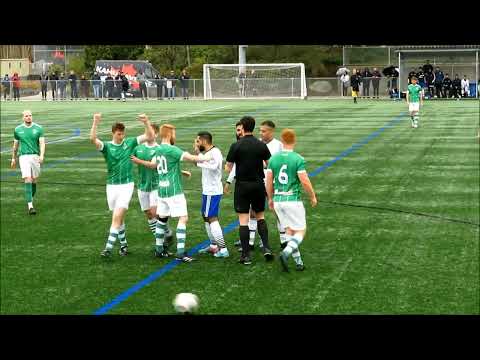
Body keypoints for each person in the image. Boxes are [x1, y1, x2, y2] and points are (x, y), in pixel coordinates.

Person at [130, 124, 214, 262]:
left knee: (162, 219)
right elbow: (195, 159)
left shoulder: (158, 149)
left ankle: (159, 250)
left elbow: (154, 165)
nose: (175, 135)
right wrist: (208, 153)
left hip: (161, 190)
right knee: (183, 218)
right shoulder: (173, 150)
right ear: (169, 134)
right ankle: (181, 252)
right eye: (174, 133)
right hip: (174, 190)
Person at [90, 113, 155, 258]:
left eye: (123, 134)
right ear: (113, 133)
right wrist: (95, 121)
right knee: (118, 218)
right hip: (111, 186)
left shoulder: (130, 142)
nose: (121, 136)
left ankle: (108, 248)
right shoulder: (106, 147)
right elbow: (92, 139)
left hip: (127, 185)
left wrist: (146, 122)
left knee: (118, 215)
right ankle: (124, 245)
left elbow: (149, 136)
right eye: (119, 134)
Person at [265, 128, 317, 272]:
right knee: (301, 230)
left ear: (282, 140)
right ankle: (286, 253)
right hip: (292, 199)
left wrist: (270, 198)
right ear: (294, 140)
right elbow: (305, 181)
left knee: (289, 230)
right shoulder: (297, 158)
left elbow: (268, 181)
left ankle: (299, 263)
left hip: (278, 200)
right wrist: (312, 196)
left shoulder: (273, 158)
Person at [225, 116, 274, 265]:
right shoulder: (261, 145)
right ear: (253, 128)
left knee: (243, 220)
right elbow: (268, 164)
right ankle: (266, 248)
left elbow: (228, 167)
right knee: (260, 216)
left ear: (243, 128)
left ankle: (246, 256)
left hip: (242, 185)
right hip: (258, 184)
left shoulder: (236, 145)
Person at [131, 124, 174, 255]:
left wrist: (138, 161)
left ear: (155, 135)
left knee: (156, 213)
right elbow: (127, 158)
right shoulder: (138, 148)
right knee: (149, 214)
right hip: (142, 185)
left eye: (151, 133)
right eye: (146, 132)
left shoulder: (159, 149)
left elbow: (156, 166)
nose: (148, 135)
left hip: (156, 185)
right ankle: (163, 237)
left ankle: (163, 237)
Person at [195, 131, 229, 258]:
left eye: (198, 141)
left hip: (212, 191)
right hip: (208, 191)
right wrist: (198, 155)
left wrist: (199, 159)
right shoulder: (208, 153)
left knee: (211, 217)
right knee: (206, 216)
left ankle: (223, 249)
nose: (197, 143)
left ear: (204, 141)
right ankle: (214, 246)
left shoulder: (215, 152)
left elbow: (214, 166)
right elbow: (200, 162)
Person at [10, 110, 46, 214]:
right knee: (28, 179)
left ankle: (30, 198)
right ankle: (30, 206)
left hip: (35, 156)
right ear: (23, 118)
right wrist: (13, 158)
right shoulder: (18, 129)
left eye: (30, 115)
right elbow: (15, 146)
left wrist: (41, 155)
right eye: (26, 116)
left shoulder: (38, 128)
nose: (29, 117)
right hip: (24, 156)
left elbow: (42, 143)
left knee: (34, 180)